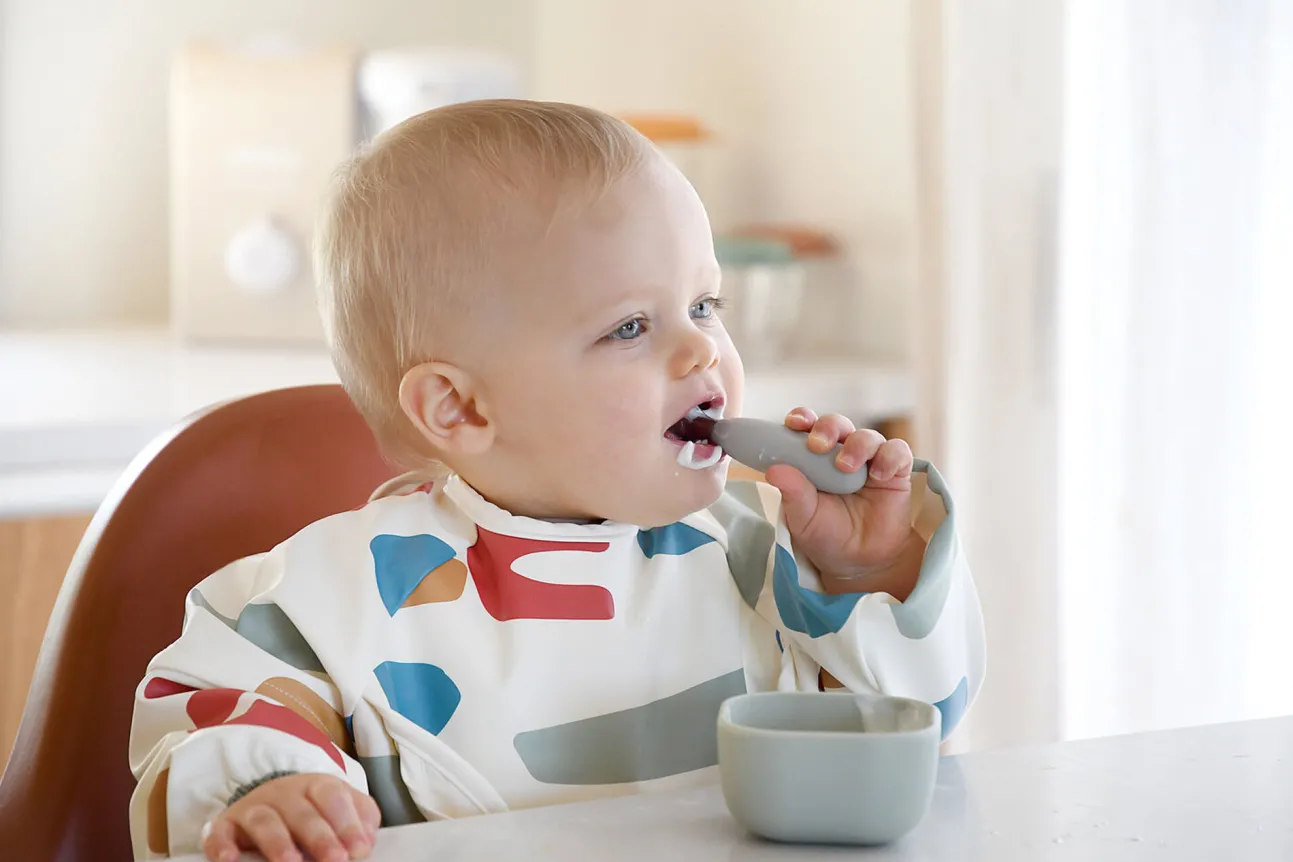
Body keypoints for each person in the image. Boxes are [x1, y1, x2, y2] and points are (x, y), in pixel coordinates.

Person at [128, 100, 985, 862]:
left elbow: (915, 734)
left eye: (703, 305)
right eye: (630, 327)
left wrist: (869, 573)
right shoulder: (330, 600)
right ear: (460, 408)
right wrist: (270, 790)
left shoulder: (769, 554)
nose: (701, 350)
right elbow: (212, 719)